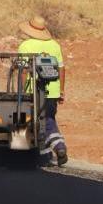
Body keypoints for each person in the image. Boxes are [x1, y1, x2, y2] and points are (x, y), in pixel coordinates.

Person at [18, 15, 67, 166]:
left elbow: (23, 71)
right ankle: (45, 155)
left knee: (40, 121)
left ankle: (59, 147)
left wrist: (22, 91)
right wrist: (61, 90)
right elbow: (61, 68)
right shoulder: (54, 45)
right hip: (52, 90)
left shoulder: (25, 46)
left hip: (32, 91)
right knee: (48, 118)